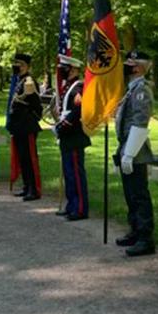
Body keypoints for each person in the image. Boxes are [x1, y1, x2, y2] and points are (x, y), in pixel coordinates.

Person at [114, 50, 156, 256]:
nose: (126, 65)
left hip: (136, 149)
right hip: (126, 146)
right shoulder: (131, 89)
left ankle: (145, 237)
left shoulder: (141, 90)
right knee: (130, 193)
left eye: (130, 62)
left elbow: (140, 122)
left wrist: (129, 153)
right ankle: (134, 230)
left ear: (138, 67)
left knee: (139, 194)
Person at [54, 54, 90, 221]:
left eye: (65, 67)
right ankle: (71, 205)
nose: (62, 70)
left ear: (74, 69)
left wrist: (63, 126)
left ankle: (81, 208)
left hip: (74, 135)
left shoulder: (79, 87)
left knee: (76, 173)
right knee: (68, 173)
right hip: (67, 135)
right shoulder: (68, 86)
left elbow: (77, 111)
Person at [7, 53, 43, 201]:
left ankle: (34, 189)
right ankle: (26, 186)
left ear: (27, 66)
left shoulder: (29, 81)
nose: (18, 67)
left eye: (21, 64)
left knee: (30, 159)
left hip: (27, 125)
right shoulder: (19, 81)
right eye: (16, 64)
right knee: (22, 159)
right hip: (18, 126)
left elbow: (36, 105)